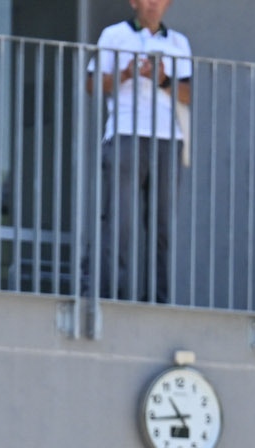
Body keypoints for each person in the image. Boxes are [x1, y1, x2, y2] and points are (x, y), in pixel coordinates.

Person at [86, 0, 191, 305]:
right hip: (125, 132)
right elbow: (92, 84)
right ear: (133, 1)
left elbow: (187, 94)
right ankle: (110, 296)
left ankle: (159, 299)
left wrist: (163, 79)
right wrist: (126, 74)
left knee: (163, 225)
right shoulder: (114, 35)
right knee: (119, 219)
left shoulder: (178, 42)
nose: (153, 4)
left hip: (168, 138)